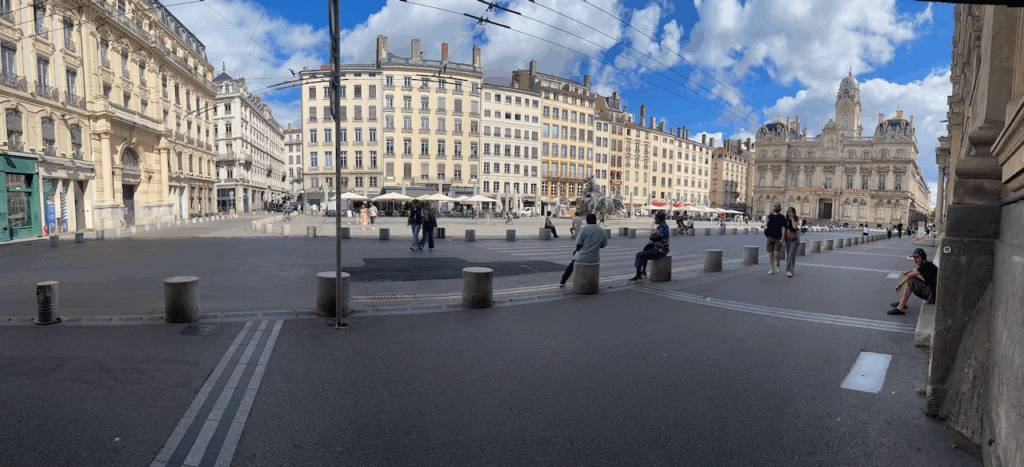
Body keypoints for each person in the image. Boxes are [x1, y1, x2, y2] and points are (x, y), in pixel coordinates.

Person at [560, 214, 607, 287]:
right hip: (594, 258)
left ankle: (563, 281)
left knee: (572, 265)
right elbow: (603, 245)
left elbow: (579, 244)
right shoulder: (602, 231)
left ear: (587, 221)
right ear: (595, 220)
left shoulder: (584, 229)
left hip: (581, 257)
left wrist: (576, 251)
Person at [888, 248, 939, 315]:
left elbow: (909, 276)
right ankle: (902, 303)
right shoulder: (926, 264)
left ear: (923, 257)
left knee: (910, 279)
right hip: (934, 294)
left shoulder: (926, 266)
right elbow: (913, 271)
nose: (915, 260)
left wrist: (899, 285)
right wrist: (907, 273)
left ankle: (900, 307)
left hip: (932, 297)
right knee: (909, 278)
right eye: (914, 258)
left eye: (917, 257)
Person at [629, 212, 669, 282]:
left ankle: (638, 276)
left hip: (660, 250)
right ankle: (643, 271)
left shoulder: (661, 227)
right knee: (645, 251)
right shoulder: (665, 226)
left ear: (659, 219)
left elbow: (652, 237)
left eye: (656, 218)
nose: (655, 219)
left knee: (639, 255)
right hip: (663, 249)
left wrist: (652, 236)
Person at [765, 202, 786, 275]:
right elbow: (766, 225)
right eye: (775, 206)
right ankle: (771, 269)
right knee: (770, 254)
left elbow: (783, 228)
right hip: (770, 237)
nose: (776, 207)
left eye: (778, 206)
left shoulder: (782, 217)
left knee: (776, 253)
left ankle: (777, 264)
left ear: (780, 208)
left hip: (778, 237)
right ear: (773, 208)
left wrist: (783, 238)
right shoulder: (770, 216)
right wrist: (767, 221)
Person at [783, 207, 800, 278]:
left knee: (791, 255)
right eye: (788, 211)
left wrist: (792, 218)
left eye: (791, 211)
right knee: (788, 255)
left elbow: (794, 227)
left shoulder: (795, 218)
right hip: (787, 239)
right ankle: (789, 270)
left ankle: (791, 271)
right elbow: (783, 228)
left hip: (794, 239)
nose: (790, 212)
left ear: (793, 212)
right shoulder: (785, 219)